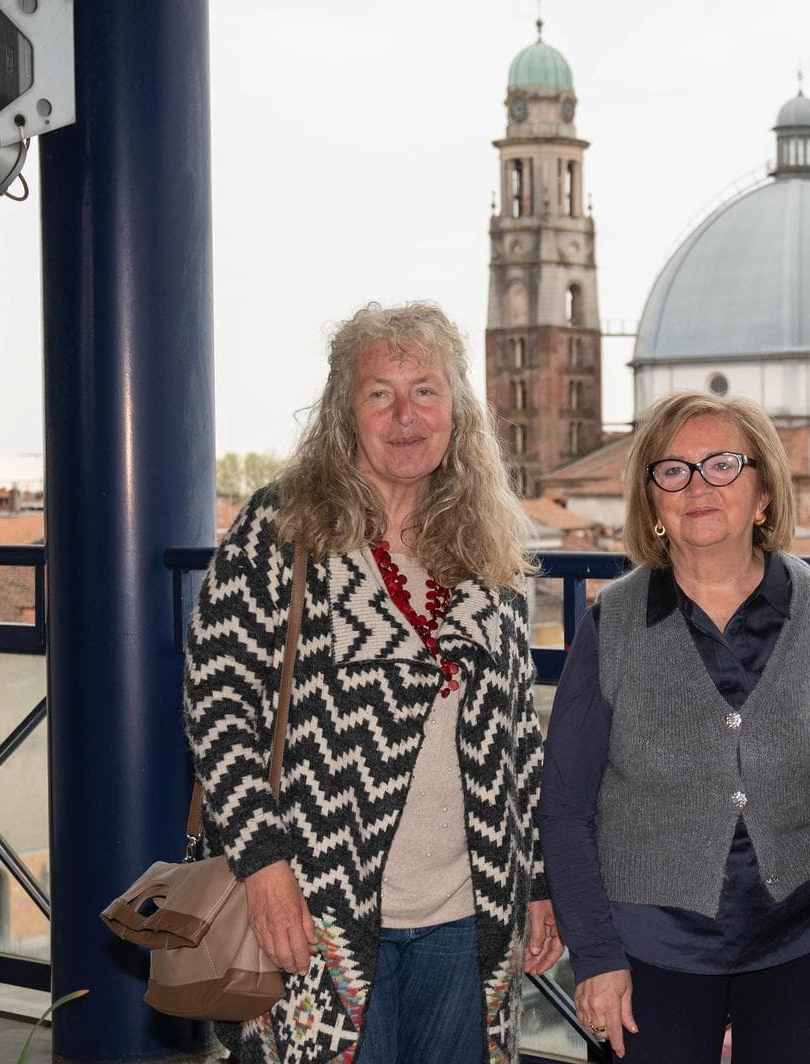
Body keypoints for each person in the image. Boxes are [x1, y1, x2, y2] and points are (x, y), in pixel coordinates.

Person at [183, 301, 562, 1064]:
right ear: (342, 411)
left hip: (469, 917)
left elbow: (521, 734)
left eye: (425, 390)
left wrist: (541, 879)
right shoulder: (281, 528)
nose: (405, 415)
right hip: (317, 911)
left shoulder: (487, 545)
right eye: (379, 393)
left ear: (456, 408)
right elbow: (218, 708)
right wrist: (263, 867)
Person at [538, 391, 810, 1063]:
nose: (698, 485)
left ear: (764, 492)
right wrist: (594, 956)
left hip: (797, 944)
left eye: (723, 464)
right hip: (648, 953)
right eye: (673, 470)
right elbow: (563, 807)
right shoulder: (612, 623)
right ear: (653, 503)